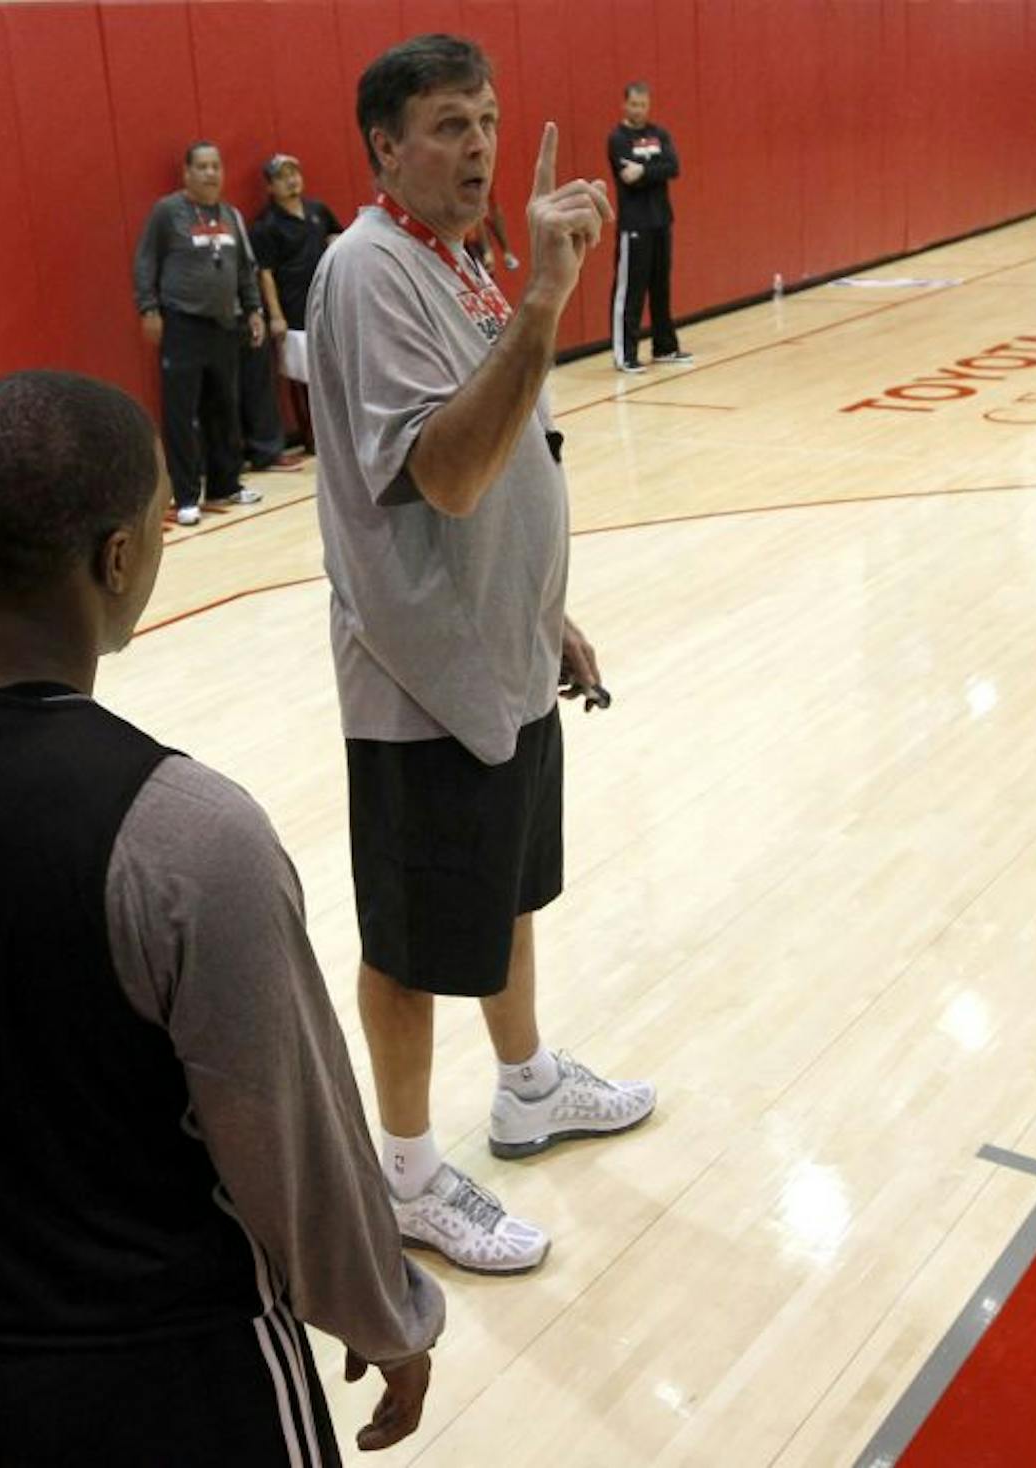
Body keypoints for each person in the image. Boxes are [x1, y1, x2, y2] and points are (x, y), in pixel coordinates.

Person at [0, 370, 444, 1466]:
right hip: (163, 1374)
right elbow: (289, 1135)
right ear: (118, 558)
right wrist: (383, 1312)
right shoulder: (187, 834)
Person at [307, 35, 657, 1276]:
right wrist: (547, 304)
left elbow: (509, 455)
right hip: (419, 681)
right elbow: (447, 473)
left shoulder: (456, 262)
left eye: (489, 121)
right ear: (385, 149)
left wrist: (541, 608)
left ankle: (526, 1087)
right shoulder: (368, 270)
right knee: (407, 948)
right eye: (449, 126)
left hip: (498, 652)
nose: (479, 149)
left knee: (506, 892)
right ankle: (403, 1178)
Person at [134, 142, 268, 526]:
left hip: (225, 326)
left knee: (224, 408)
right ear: (187, 173)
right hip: (182, 324)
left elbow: (244, 268)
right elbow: (146, 261)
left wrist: (254, 309)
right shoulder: (167, 212)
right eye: (203, 167)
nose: (211, 173)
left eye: (216, 166)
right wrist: (148, 308)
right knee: (182, 413)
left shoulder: (231, 215)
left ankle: (226, 483)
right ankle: (187, 495)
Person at [250, 152, 343, 454]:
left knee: (339, 369)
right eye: (282, 176)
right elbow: (265, 273)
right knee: (303, 379)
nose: (291, 180)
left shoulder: (318, 210)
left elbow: (338, 238)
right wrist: (276, 315)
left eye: (294, 173)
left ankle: (343, 430)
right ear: (270, 187)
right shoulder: (266, 225)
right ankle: (313, 438)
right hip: (293, 309)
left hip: (328, 304)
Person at [607, 81, 692, 372]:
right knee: (631, 290)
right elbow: (627, 177)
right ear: (624, 105)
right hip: (635, 225)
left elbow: (673, 167)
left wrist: (644, 169)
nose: (639, 110)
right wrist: (653, 170)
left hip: (661, 220)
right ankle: (625, 354)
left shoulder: (659, 134)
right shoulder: (618, 138)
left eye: (643, 105)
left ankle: (665, 346)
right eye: (634, 105)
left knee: (661, 288)